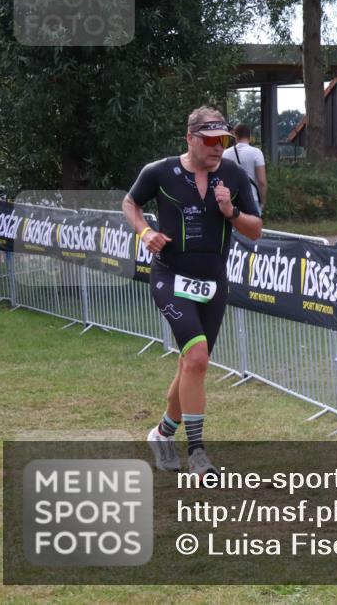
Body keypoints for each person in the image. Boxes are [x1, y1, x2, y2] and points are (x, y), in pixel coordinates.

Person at [122, 106, 262, 476]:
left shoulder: (233, 175)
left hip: (214, 283)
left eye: (223, 141)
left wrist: (231, 212)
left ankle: (162, 433)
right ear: (190, 138)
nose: (218, 148)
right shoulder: (159, 171)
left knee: (191, 364)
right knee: (197, 357)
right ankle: (197, 453)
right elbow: (130, 203)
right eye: (210, 140)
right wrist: (145, 232)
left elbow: (256, 230)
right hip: (170, 278)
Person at [222, 123, 267, 215]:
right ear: (249, 136)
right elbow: (262, 182)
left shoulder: (225, 153)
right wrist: (262, 202)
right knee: (253, 224)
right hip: (252, 198)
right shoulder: (257, 153)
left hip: (232, 200)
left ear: (235, 136)